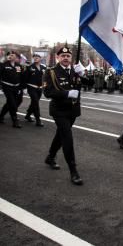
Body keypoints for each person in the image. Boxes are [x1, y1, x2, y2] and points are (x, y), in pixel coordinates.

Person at [43, 46, 85, 185]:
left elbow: (90, 83)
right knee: (67, 137)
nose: (66, 58)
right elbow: (48, 92)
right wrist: (66, 93)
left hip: (72, 110)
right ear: (58, 58)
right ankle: (73, 171)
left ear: (71, 58)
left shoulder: (76, 71)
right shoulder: (51, 72)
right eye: (63, 56)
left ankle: (50, 157)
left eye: (68, 56)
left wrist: (83, 74)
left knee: (60, 135)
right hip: (59, 110)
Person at [0, 51, 25, 128]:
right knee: (12, 103)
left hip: (16, 87)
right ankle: (15, 121)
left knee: (10, 103)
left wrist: (22, 88)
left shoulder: (19, 66)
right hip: (7, 87)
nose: (11, 56)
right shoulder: (3, 65)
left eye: (12, 55)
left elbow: (21, 77)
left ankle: (1, 116)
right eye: (9, 55)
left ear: (16, 57)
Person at [24, 54, 46, 127]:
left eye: (38, 57)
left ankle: (27, 115)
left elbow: (45, 78)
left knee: (34, 103)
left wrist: (45, 86)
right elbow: (25, 78)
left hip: (39, 88)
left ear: (40, 58)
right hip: (31, 87)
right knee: (36, 103)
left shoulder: (44, 67)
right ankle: (38, 120)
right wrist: (24, 88)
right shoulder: (30, 67)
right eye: (34, 57)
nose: (36, 58)